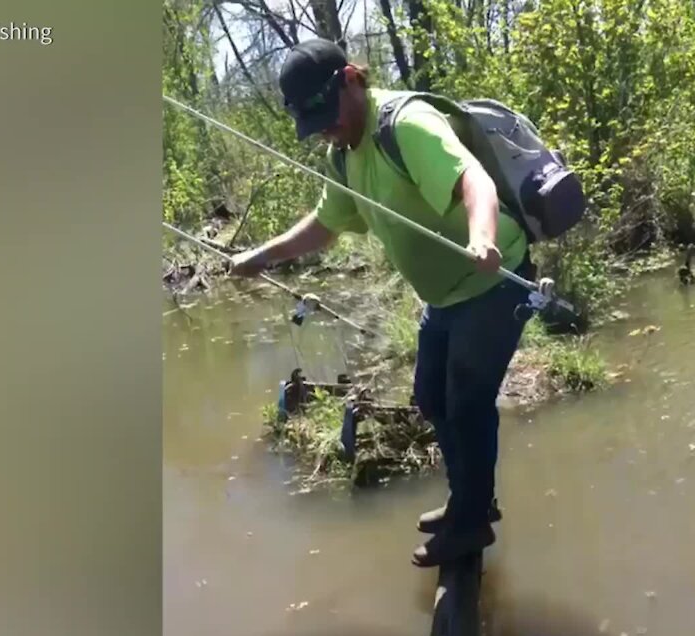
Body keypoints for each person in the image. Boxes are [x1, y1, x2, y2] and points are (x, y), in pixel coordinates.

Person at [227, 38, 533, 568]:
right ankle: (472, 501)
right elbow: (325, 226)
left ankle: (470, 523)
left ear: (351, 79)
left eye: (327, 115)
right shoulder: (343, 156)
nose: (325, 129)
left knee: (466, 399)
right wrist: (263, 255)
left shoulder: (404, 124)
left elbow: (473, 180)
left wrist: (481, 235)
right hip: (444, 294)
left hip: (494, 278)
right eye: (314, 123)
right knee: (431, 397)